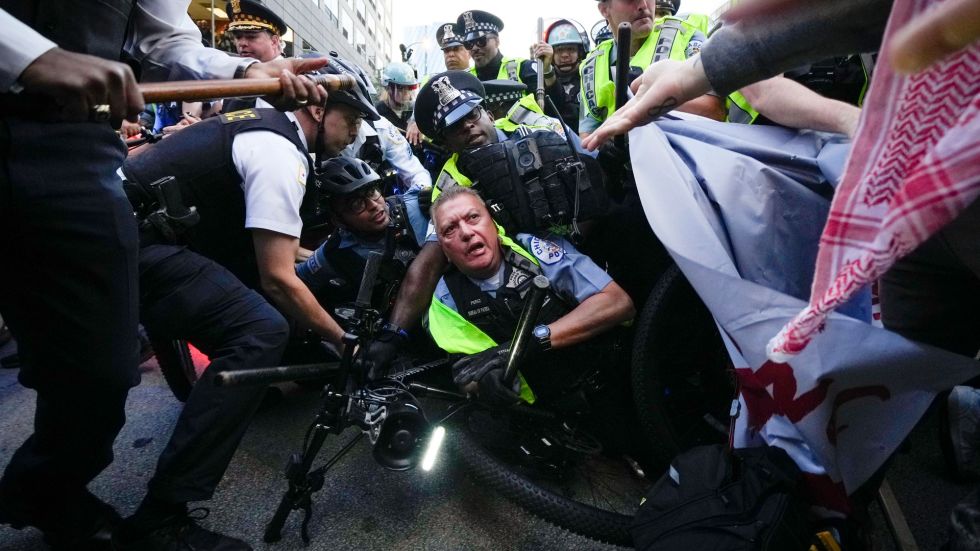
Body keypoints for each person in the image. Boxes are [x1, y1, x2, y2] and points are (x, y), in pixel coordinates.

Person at [0, 2, 322, 549]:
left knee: (100, 374)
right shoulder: (276, 148)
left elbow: (164, 37)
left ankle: (45, 488)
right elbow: (277, 275)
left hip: (78, 150)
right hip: (31, 130)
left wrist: (242, 73)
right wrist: (33, 57)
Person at [114, 57, 375, 549]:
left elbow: (276, 246)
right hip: (133, 247)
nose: (354, 134)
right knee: (260, 328)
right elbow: (277, 277)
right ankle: (161, 517)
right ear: (318, 111)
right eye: (352, 121)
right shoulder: (281, 153)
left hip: (138, 234)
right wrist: (344, 342)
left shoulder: (260, 128)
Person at [427, 185, 634, 406]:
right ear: (444, 249)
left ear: (493, 222)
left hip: (612, 383)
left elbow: (617, 303)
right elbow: (464, 372)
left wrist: (533, 342)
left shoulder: (533, 248)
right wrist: (482, 382)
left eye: (473, 217)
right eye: (450, 229)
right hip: (545, 414)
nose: (466, 233)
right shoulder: (444, 302)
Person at [296, 157, 425, 373]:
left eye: (373, 192)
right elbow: (297, 284)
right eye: (357, 204)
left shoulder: (415, 208)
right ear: (338, 220)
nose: (374, 206)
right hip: (393, 331)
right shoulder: (333, 254)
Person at [580, 0, 725, 137]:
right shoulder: (591, 65)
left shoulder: (686, 36)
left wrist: (647, 103)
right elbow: (586, 135)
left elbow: (714, 111)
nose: (643, 4)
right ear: (604, 10)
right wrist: (606, 142)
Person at [457, 10, 560, 100]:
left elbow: (554, 107)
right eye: (469, 44)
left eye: (481, 41)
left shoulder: (523, 68)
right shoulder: (464, 79)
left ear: (497, 41)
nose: (474, 48)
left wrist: (547, 70)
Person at [222, 0, 287, 113]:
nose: (242, 43)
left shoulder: (294, 78)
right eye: (238, 37)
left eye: (251, 37)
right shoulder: (234, 76)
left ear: (274, 41)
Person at [543, 19, 590, 133]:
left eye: (571, 49)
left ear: (581, 52)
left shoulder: (591, 77)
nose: (564, 55)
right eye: (559, 50)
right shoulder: (540, 81)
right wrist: (546, 70)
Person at [376, 62, 418, 132]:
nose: (406, 92)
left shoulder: (415, 111)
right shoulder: (378, 112)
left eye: (410, 87)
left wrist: (418, 125)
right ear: (388, 88)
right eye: (400, 87)